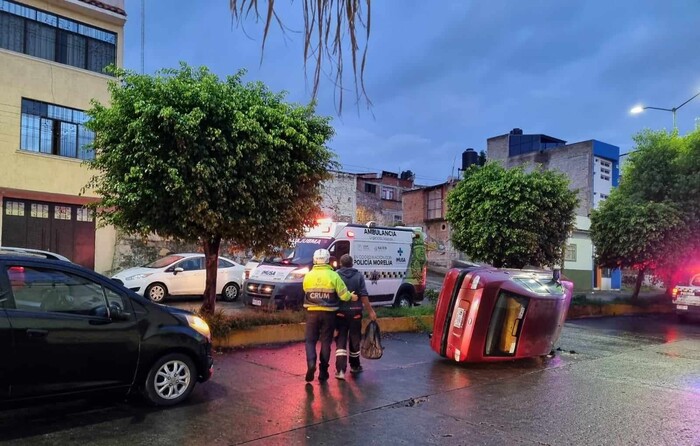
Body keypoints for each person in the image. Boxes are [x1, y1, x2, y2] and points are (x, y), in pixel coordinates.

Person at [302, 248, 357, 382]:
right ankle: (323, 373)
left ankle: (311, 363)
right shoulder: (334, 276)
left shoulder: (308, 275)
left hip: (312, 313)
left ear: (315, 260)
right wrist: (352, 297)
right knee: (326, 342)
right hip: (329, 314)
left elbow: (304, 290)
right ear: (328, 260)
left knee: (310, 340)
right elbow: (344, 295)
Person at [334, 254, 377, 380]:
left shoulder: (336, 275)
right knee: (355, 339)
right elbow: (363, 296)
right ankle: (355, 366)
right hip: (356, 313)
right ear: (352, 264)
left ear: (341, 264)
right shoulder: (358, 276)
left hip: (340, 313)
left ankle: (340, 370)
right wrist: (371, 311)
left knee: (341, 340)